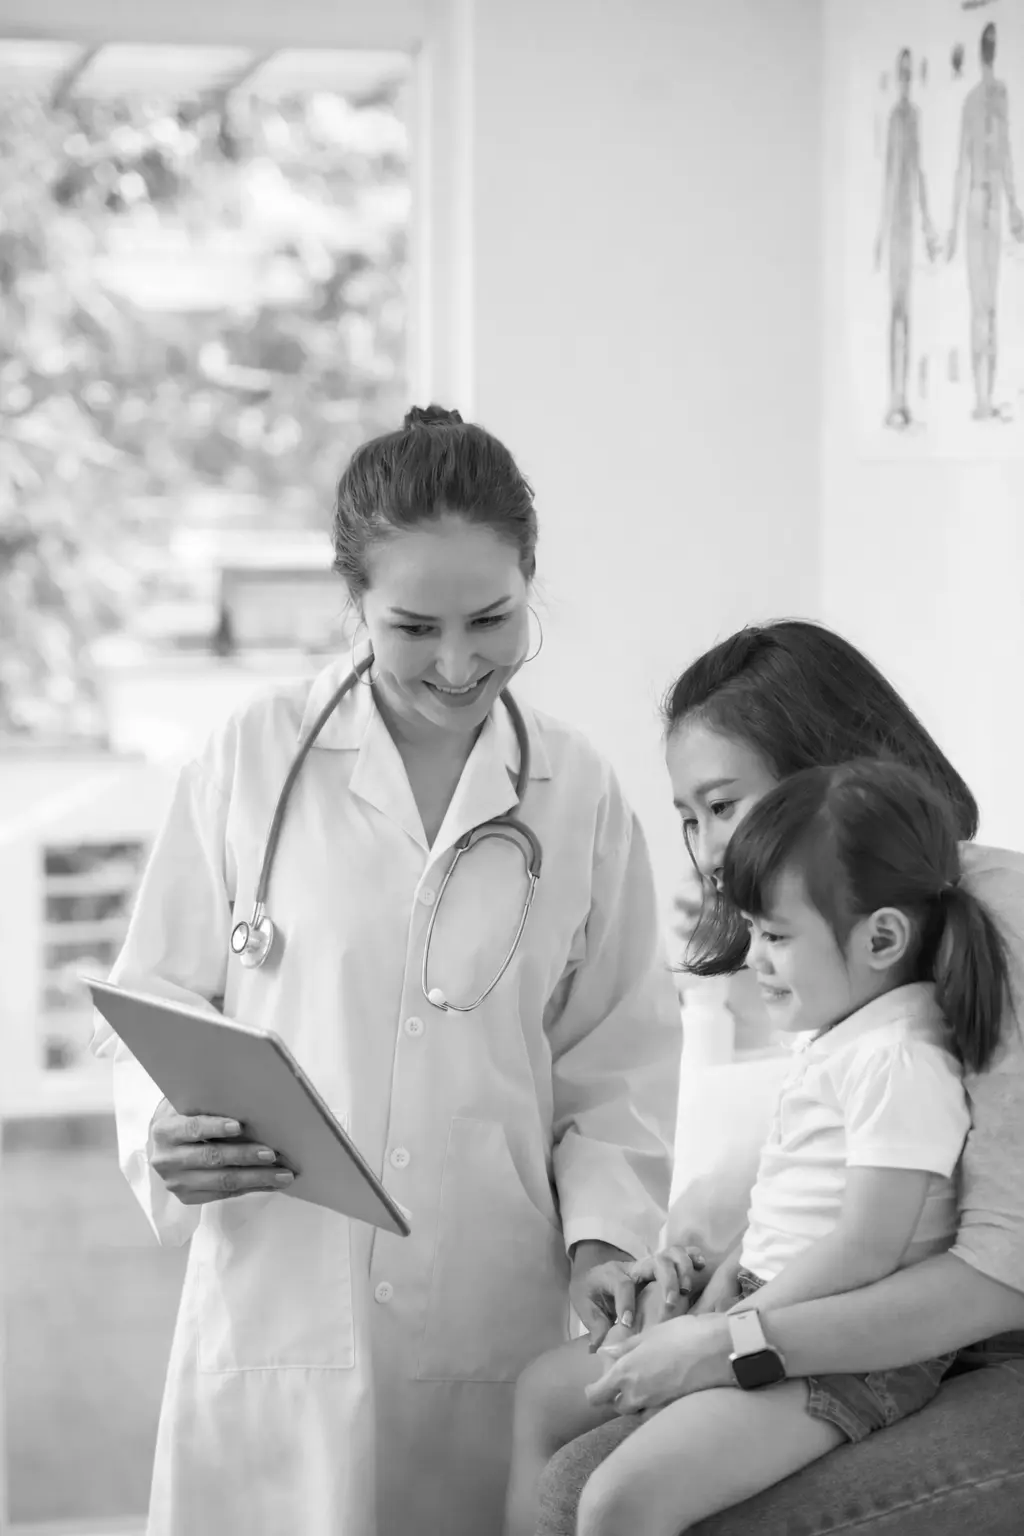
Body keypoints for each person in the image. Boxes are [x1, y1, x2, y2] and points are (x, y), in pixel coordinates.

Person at [91, 405, 682, 1536]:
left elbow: (618, 1056)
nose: (458, 664)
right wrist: (162, 1130)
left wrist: (607, 1233)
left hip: (490, 1302)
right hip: (280, 1299)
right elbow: (153, 996)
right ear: (351, 603)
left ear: (530, 582)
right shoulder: (252, 756)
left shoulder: (577, 790)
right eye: (413, 626)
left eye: (492, 620)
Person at [535, 620, 1024, 1536]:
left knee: (608, 1497)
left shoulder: (1001, 929)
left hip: (973, 1342)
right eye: (691, 818)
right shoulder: (855, 982)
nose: (711, 852)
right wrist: (709, 1267)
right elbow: (828, 1159)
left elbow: (994, 1278)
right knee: (568, 1456)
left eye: (725, 807)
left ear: (837, 779)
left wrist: (732, 1340)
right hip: (894, 1327)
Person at [946, 22, 1024, 421]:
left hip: (986, 203)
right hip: (980, 202)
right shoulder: (981, 100)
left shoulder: (992, 98)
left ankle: (985, 398)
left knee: (988, 303)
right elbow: (968, 164)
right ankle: (981, 398)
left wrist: (1013, 204)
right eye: (991, 45)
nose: (992, 51)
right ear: (986, 52)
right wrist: (949, 229)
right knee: (983, 303)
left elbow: (1004, 153)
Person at [874, 48, 939, 429]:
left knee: (905, 311)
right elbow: (890, 177)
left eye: (908, 73)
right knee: (895, 311)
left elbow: (918, 172)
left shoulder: (914, 117)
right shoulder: (894, 119)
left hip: (908, 225)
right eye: (901, 73)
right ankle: (894, 397)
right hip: (896, 224)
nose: (905, 80)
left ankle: (903, 399)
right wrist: (881, 234)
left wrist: (928, 223)